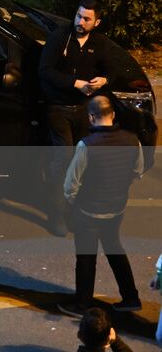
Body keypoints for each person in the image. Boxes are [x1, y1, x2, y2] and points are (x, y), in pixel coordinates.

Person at [57, 94, 144, 317]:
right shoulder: (132, 139)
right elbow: (137, 171)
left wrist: (71, 204)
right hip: (116, 209)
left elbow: (71, 184)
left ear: (90, 117)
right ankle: (131, 297)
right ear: (113, 114)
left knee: (86, 257)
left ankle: (83, 304)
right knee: (115, 250)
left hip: (88, 212)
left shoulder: (86, 145)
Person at [40, 0, 118, 236]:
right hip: (59, 107)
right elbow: (45, 71)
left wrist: (103, 80)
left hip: (84, 110)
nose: (80, 22)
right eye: (78, 16)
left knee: (84, 160)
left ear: (97, 22)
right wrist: (75, 83)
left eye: (86, 19)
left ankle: (77, 212)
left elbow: (113, 70)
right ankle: (56, 214)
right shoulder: (60, 38)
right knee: (62, 160)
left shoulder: (100, 43)